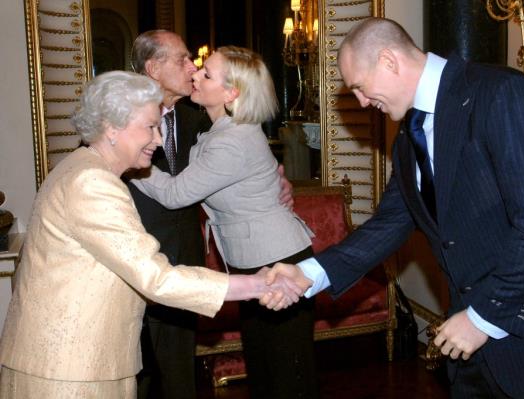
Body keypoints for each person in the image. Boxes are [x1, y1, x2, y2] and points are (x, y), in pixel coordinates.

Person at [268, 17, 524, 398]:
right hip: (471, 345)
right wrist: (309, 274)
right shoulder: (409, 138)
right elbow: (391, 223)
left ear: (389, 61)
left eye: (359, 87)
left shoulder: (504, 94)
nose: (360, 101)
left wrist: (483, 318)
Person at [0, 71, 305, 399]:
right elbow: (156, 278)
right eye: (150, 127)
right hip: (69, 371)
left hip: (75, 362)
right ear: (112, 127)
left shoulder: (82, 167)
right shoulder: (91, 183)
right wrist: (258, 284)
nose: (159, 140)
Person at [132, 46, 319, 399]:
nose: (195, 75)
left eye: (207, 74)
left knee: (288, 375)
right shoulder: (217, 128)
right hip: (252, 264)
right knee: (265, 371)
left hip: (278, 261)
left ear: (232, 93)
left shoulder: (234, 139)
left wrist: (128, 161)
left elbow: (175, 194)